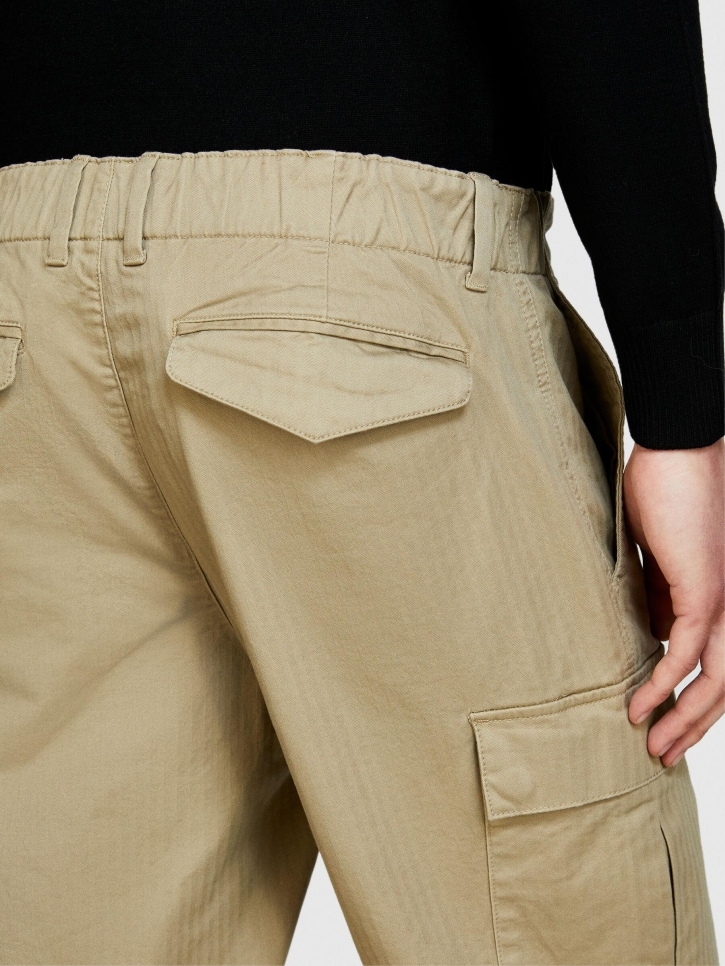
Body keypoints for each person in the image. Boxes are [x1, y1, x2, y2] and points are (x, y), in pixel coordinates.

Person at [0, 1, 722, 964]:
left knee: (69, 910)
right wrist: (681, 405)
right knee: (551, 906)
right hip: (361, 285)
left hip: (24, 301)